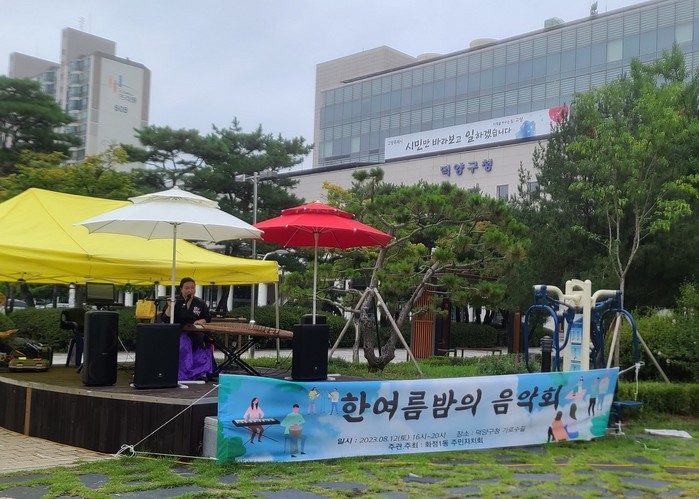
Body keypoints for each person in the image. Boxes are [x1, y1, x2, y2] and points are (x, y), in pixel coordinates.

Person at [161, 277, 213, 381]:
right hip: (178, 332)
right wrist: (170, 306)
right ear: (181, 289)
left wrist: (202, 320)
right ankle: (183, 372)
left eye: (192, 288)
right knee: (184, 343)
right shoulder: (175, 301)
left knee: (203, 344)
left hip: (195, 333)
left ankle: (200, 372)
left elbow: (207, 317)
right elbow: (165, 318)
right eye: (187, 288)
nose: (190, 290)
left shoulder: (200, 302)